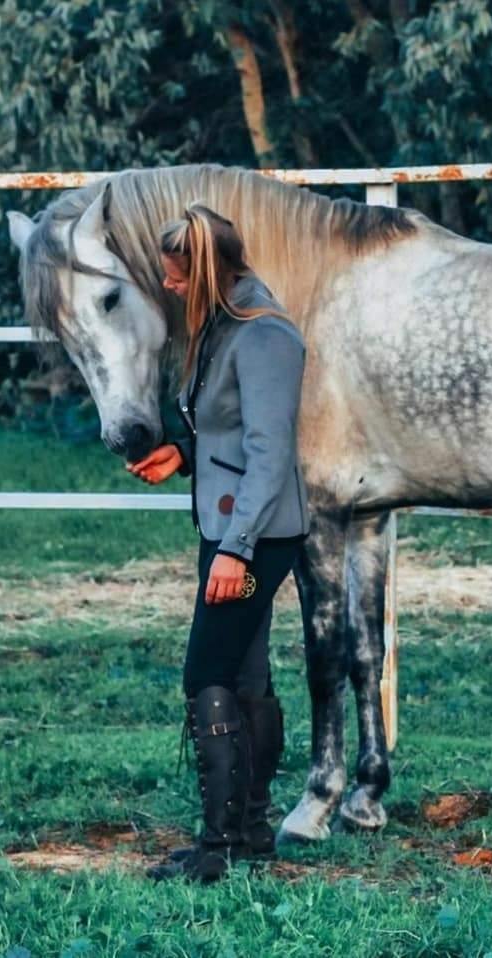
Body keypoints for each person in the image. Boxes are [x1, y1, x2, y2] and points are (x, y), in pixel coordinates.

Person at [125, 203, 310, 881]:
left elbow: (270, 451)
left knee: (207, 673)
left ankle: (217, 849)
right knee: (246, 674)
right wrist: (182, 453)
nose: (169, 287)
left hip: (256, 540)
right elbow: (228, 433)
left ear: (203, 269)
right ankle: (251, 834)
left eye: (175, 277)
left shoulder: (265, 337)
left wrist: (235, 551)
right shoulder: (223, 327)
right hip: (231, 528)